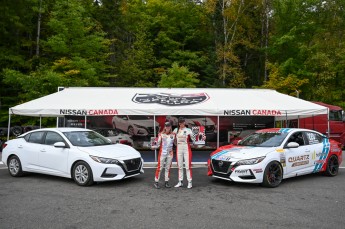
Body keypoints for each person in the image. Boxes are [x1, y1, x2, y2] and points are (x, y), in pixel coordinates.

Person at [173, 117, 205, 189]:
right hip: (179, 148)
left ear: (184, 122)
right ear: (179, 123)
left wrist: (203, 138)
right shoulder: (176, 130)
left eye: (183, 122)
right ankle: (180, 181)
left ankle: (189, 182)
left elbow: (195, 138)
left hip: (186, 148)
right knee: (180, 166)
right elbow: (172, 138)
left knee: (187, 166)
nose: (182, 123)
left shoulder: (188, 130)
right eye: (180, 122)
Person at [152, 121, 175, 189]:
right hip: (162, 153)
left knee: (168, 168)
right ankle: (156, 182)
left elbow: (176, 143)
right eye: (166, 126)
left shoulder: (173, 134)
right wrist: (153, 147)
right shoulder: (161, 134)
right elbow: (157, 144)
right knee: (160, 167)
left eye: (169, 126)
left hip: (170, 154)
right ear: (164, 127)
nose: (167, 127)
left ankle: (166, 182)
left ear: (170, 127)